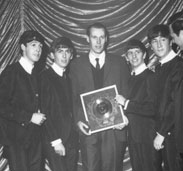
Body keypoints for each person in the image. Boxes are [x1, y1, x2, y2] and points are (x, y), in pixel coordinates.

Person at [69, 22, 130, 171]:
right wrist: (77, 121)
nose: (98, 42)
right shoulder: (76, 65)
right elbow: (73, 97)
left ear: (106, 39)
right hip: (89, 129)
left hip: (114, 130)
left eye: (101, 37)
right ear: (87, 38)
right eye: (94, 37)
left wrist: (123, 116)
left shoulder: (119, 63)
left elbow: (127, 92)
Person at [0, 30, 46, 171]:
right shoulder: (11, 72)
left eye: (40, 46)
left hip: (35, 139)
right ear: (23, 47)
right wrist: (29, 117)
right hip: (16, 141)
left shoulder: (37, 75)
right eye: (33, 45)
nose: (38, 49)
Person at [115, 39, 158, 171]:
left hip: (148, 137)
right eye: (130, 53)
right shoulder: (129, 78)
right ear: (126, 58)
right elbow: (132, 108)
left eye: (137, 52)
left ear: (144, 55)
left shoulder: (151, 77)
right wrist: (122, 118)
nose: (134, 56)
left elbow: (152, 108)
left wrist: (126, 103)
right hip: (133, 136)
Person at [39, 37, 79, 171]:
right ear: (52, 55)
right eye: (60, 51)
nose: (64, 55)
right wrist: (56, 141)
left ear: (71, 55)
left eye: (67, 52)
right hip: (55, 140)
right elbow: (44, 111)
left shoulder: (69, 78)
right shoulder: (44, 77)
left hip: (71, 139)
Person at [147, 24, 183, 171]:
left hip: (174, 134)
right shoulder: (159, 67)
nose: (159, 44)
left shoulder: (178, 66)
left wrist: (162, 132)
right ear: (150, 46)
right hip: (164, 134)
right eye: (155, 41)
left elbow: (176, 103)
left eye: (163, 39)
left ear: (170, 41)